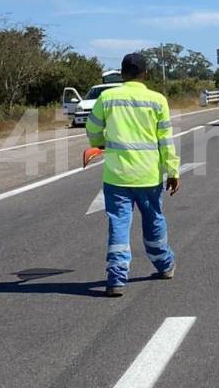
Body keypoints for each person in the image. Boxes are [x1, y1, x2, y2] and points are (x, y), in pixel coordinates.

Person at [86, 52, 181, 298]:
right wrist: (172, 170)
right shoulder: (157, 100)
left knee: (118, 223)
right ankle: (165, 265)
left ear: (122, 73)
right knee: (154, 220)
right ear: (145, 74)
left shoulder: (107, 97)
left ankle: (116, 278)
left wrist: (99, 143)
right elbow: (166, 140)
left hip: (116, 176)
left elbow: (92, 128)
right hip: (148, 175)